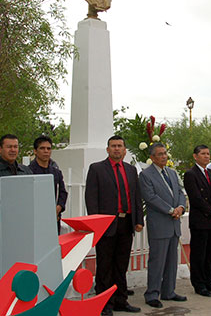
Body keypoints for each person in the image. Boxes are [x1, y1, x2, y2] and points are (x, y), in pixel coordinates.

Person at [85, 135, 144, 316]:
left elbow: (136, 196)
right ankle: (104, 303)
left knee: (121, 264)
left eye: (120, 146)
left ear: (125, 150)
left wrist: (139, 220)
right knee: (105, 266)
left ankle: (121, 300)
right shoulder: (96, 169)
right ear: (107, 149)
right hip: (106, 224)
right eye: (113, 146)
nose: (117, 149)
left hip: (126, 223)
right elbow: (91, 198)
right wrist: (96, 222)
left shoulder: (131, 170)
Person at [139, 143, 187, 308]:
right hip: (160, 223)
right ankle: (152, 293)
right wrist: (170, 210)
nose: (164, 156)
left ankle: (168, 291)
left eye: (165, 153)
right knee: (157, 261)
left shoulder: (172, 173)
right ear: (152, 158)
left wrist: (181, 207)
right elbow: (150, 197)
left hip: (174, 223)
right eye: (160, 154)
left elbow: (181, 192)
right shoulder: (146, 175)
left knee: (172, 261)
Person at [0, 134, 32, 270]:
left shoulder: (25, 170)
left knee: (22, 274)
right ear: (0, 149)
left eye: (15, 147)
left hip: (23, 231)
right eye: (9, 147)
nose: (13, 150)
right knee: (0, 273)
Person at [183, 145, 211, 297]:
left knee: (210, 253)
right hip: (201, 220)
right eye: (203, 154)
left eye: (208, 153)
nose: (207, 156)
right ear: (195, 156)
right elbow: (195, 198)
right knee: (199, 254)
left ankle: (210, 281)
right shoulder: (190, 174)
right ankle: (199, 284)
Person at [29, 135, 68, 234]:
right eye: (42, 148)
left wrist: (58, 208)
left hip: (54, 218)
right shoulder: (28, 172)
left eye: (48, 148)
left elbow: (63, 192)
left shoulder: (56, 172)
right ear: (35, 151)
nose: (46, 151)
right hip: (34, 218)